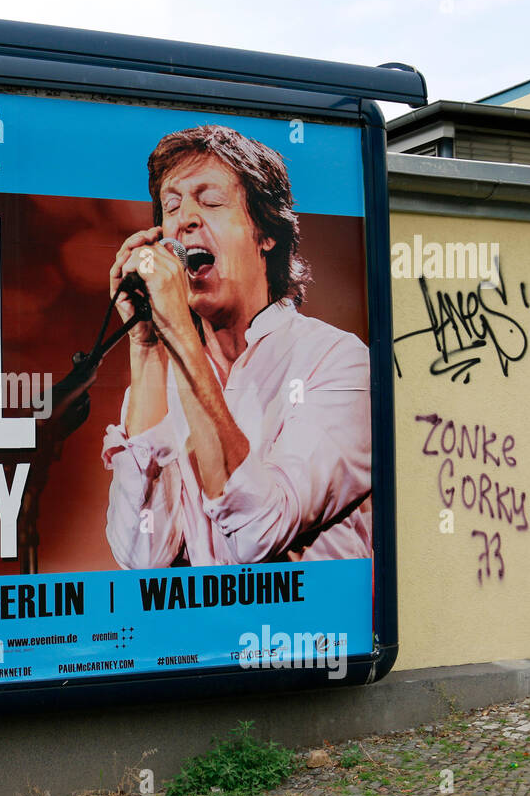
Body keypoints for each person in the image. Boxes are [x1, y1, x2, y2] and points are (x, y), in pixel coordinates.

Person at [102, 124, 371, 568]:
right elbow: (140, 556)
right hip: (204, 639)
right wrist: (147, 344)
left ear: (266, 232)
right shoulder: (164, 377)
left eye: (209, 202)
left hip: (306, 636)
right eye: (172, 205)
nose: (185, 218)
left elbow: (256, 533)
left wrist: (180, 336)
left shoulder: (338, 363)